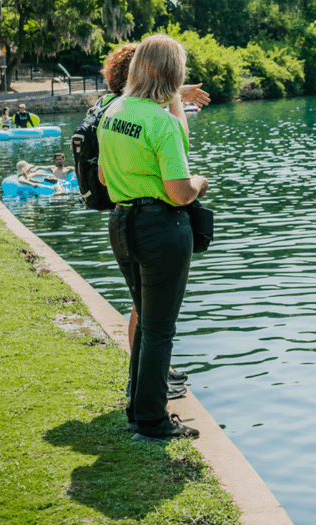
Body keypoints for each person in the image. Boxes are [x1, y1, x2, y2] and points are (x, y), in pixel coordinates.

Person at [98, 34, 209, 442]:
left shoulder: (113, 111)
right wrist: (200, 182)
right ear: (174, 75)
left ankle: (138, 408)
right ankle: (152, 421)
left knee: (146, 322)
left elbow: (104, 178)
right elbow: (179, 192)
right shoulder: (163, 122)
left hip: (122, 224)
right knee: (160, 329)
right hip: (161, 229)